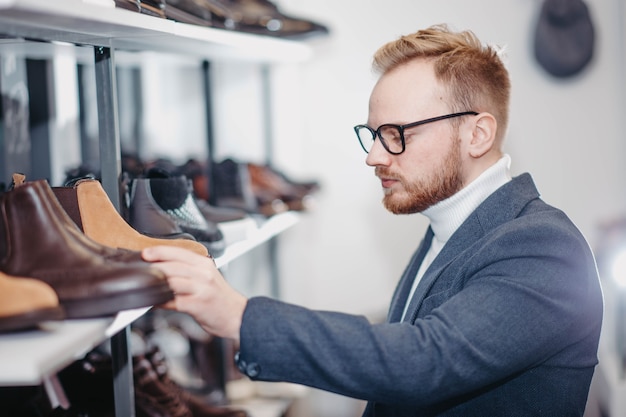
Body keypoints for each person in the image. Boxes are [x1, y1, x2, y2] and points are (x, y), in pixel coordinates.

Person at [142, 24, 604, 416]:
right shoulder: (450, 229)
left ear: (477, 133)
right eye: (374, 134)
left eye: (397, 134)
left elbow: (422, 361)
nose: (376, 156)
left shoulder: (544, 247)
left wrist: (240, 316)